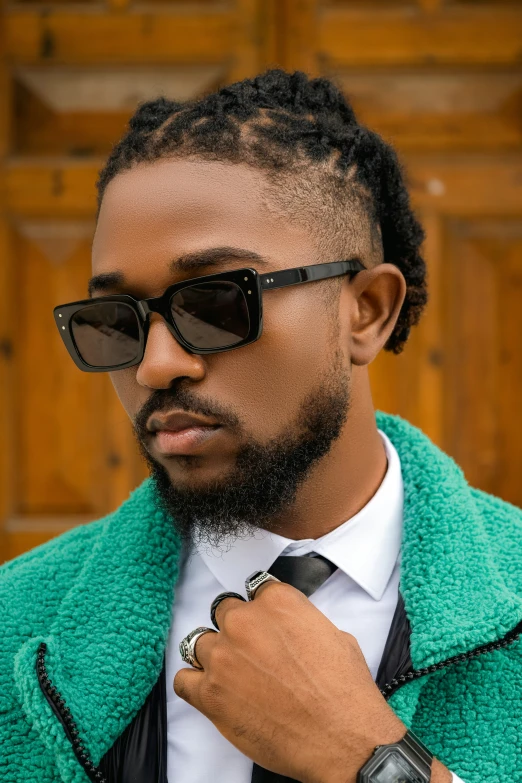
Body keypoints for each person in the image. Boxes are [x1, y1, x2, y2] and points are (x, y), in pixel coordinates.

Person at [1, 70, 520, 783]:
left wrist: (371, 761)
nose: (155, 365)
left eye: (215, 304)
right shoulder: (15, 623)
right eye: (116, 321)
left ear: (365, 310)